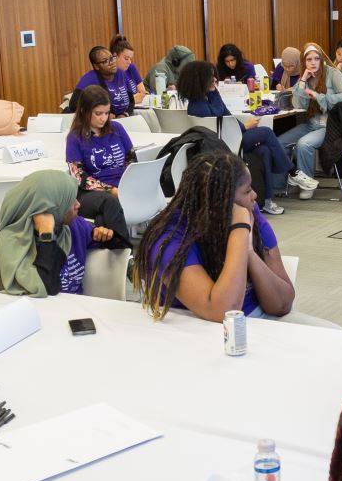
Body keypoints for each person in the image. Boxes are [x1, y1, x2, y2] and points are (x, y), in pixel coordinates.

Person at [136, 152, 294, 321]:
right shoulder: (169, 238)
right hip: (197, 331)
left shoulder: (249, 211)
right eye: (247, 190)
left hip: (258, 321)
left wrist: (249, 253)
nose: (254, 195)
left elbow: (282, 304)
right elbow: (223, 312)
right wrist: (240, 230)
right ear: (220, 203)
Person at [178, 62, 297, 216]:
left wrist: (243, 126)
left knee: (264, 150)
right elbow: (220, 125)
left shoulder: (211, 97)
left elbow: (228, 116)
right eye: (210, 77)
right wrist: (245, 127)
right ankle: (292, 171)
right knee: (267, 132)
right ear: (200, 80)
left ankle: (267, 200)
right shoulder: (197, 106)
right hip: (222, 144)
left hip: (232, 137)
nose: (214, 79)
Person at [0, 171, 107, 298]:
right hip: (36, 313)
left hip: (75, 310)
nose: (78, 204)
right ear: (50, 206)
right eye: (68, 200)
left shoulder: (70, 227)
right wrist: (46, 236)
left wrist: (105, 233)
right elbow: (46, 288)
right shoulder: (11, 242)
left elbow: (117, 243)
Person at [277, 43, 342, 192]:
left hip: (329, 125)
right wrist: (303, 79)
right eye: (309, 59)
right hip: (311, 124)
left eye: (316, 58)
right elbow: (298, 104)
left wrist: (319, 97)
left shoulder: (332, 73)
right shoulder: (305, 77)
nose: (313, 62)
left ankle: (308, 186)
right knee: (279, 143)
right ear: (303, 61)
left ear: (321, 59)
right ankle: (279, 186)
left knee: (304, 144)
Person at [66, 85, 135, 194]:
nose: (103, 118)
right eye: (98, 113)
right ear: (84, 111)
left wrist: (130, 181)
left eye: (107, 113)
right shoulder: (75, 137)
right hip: (98, 191)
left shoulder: (117, 128)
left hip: (124, 183)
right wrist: (110, 190)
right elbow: (78, 176)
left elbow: (131, 159)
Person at [69, 45, 139, 117]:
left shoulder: (121, 74)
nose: (112, 62)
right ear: (96, 66)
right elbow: (73, 105)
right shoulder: (89, 79)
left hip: (124, 119)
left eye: (112, 58)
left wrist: (125, 114)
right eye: (106, 61)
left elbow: (131, 101)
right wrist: (103, 114)